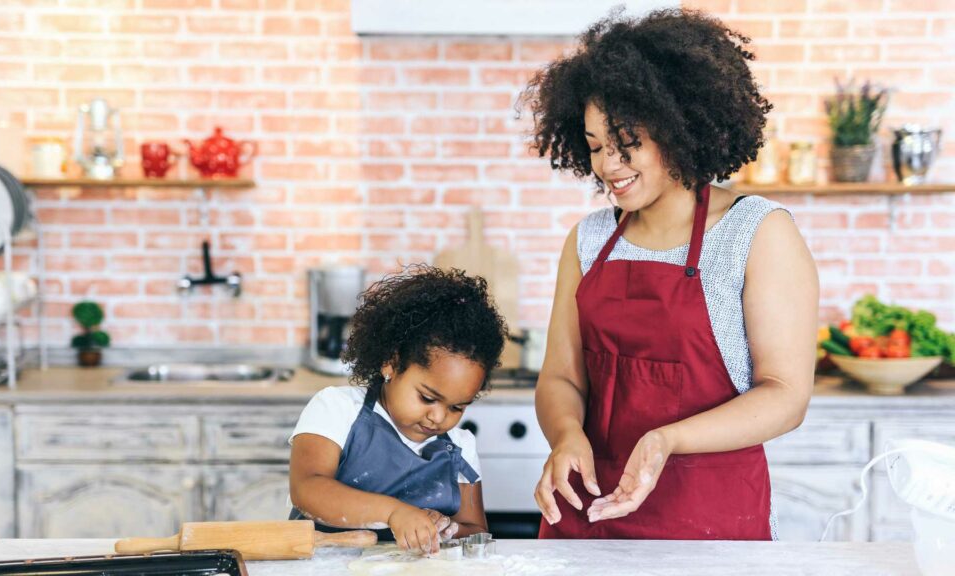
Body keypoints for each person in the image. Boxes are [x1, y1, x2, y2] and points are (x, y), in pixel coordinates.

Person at [519, 8, 819, 540]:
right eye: (594, 146)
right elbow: (561, 377)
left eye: (627, 142)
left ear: (680, 127)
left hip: (707, 520)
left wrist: (666, 440)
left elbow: (785, 395)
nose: (609, 165)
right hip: (586, 515)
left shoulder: (756, 233)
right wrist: (566, 435)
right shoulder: (589, 241)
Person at [288, 265, 507, 552]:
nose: (438, 417)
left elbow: (475, 531)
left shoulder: (459, 449)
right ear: (391, 363)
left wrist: (442, 527)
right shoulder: (337, 409)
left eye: (457, 407)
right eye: (427, 398)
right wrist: (393, 512)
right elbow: (307, 489)